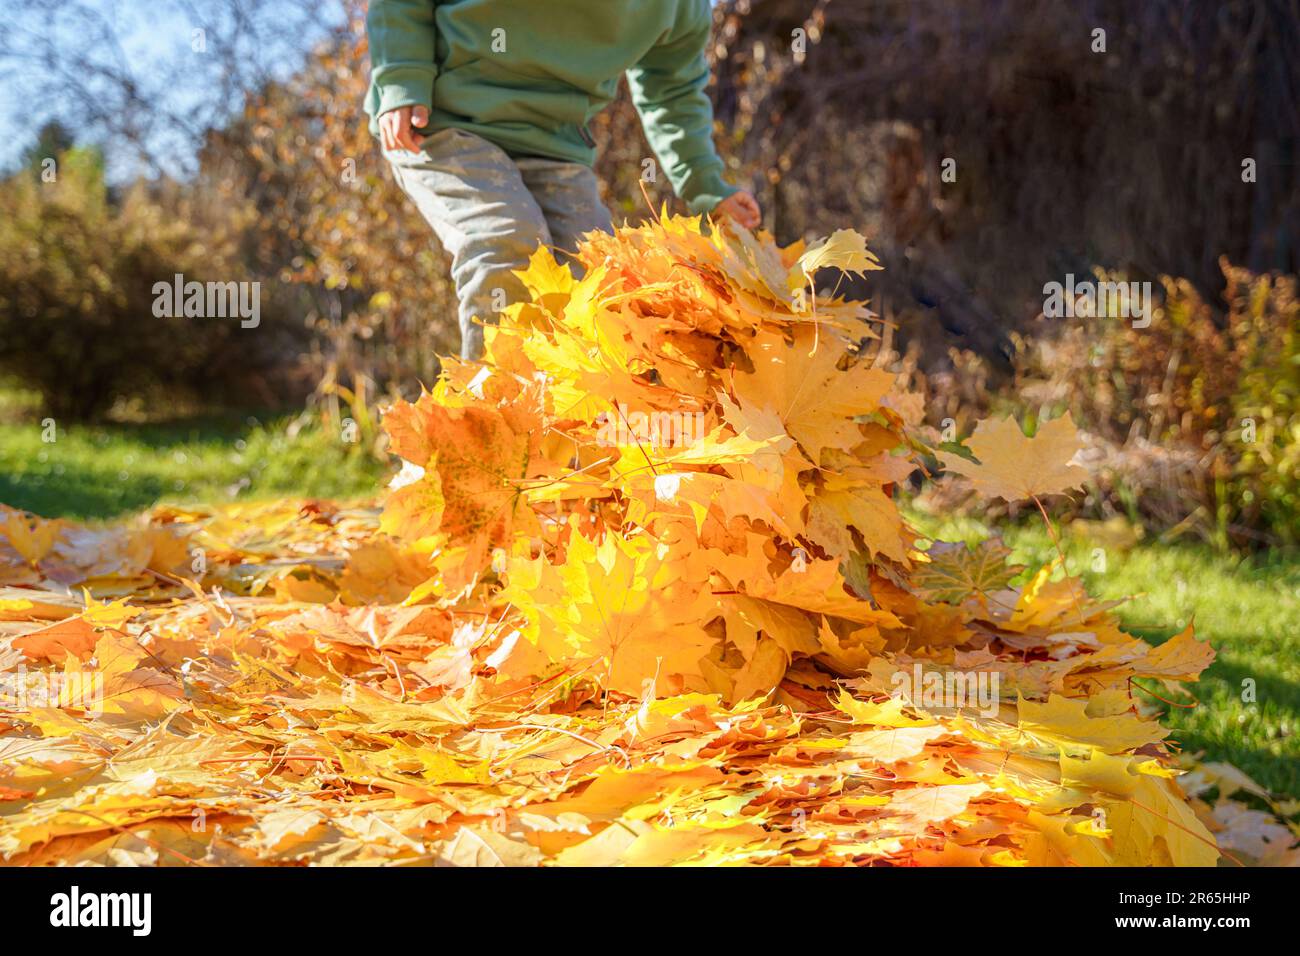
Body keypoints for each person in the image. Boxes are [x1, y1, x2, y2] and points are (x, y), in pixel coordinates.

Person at [365, 0, 762, 359]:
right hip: (445, 121)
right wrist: (400, 77)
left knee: (600, 276)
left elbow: (673, 95)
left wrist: (707, 189)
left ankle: (574, 430)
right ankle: (491, 424)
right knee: (507, 240)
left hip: (554, 147)